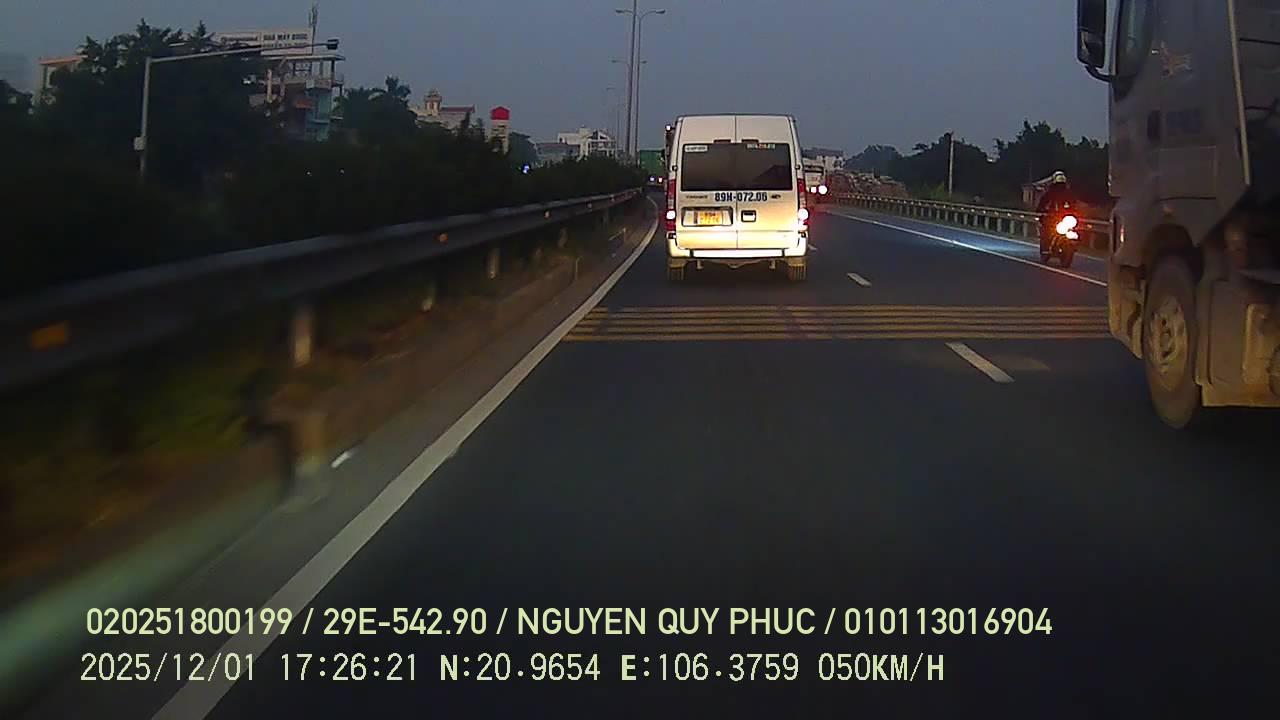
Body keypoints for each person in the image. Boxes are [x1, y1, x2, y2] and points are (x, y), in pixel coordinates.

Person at [1037, 172, 1077, 255]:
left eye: (1061, 184)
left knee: (1073, 229)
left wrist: (1075, 212)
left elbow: (1073, 203)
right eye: (1059, 184)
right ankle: (1046, 246)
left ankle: (1071, 245)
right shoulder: (1050, 192)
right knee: (1047, 230)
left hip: (1064, 217)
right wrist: (1042, 210)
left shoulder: (1068, 193)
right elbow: (1043, 202)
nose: (1060, 186)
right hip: (1052, 216)